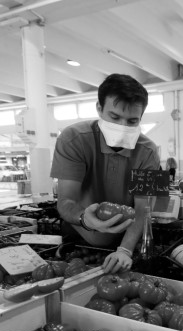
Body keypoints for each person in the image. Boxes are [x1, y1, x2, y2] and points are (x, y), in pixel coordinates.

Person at [51, 73, 160, 274]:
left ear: (141, 118)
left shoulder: (150, 152)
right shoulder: (71, 139)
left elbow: (144, 209)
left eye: (132, 121)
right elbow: (65, 201)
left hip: (126, 238)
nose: (122, 127)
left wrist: (125, 250)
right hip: (79, 235)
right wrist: (84, 218)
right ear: (99, 109)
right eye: (115, 117)